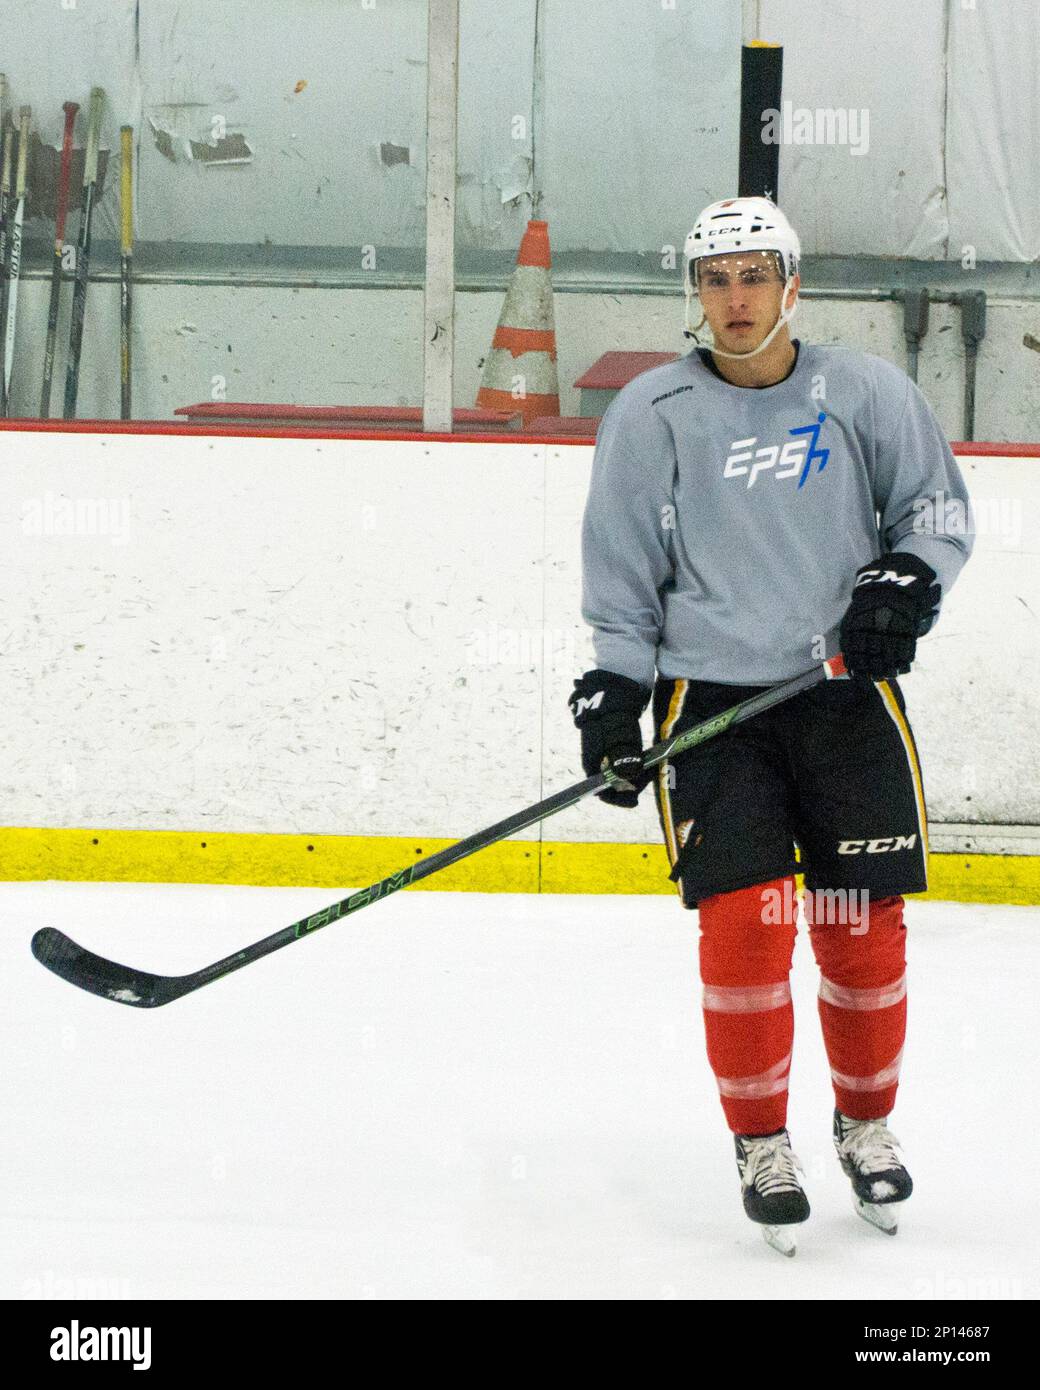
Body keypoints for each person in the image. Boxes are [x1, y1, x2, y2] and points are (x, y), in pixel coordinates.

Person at [569, 196, 974, 1256]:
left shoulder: (864, 393)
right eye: (715, 280)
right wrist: (614, 694)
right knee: (745, 930)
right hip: (713, 712)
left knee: (854, 925)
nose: (734, 298)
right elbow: (621, 575)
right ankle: (760, 1140)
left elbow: (932, 514)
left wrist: (903, 583)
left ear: (790, 286)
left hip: (840, 705)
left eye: (753, 277)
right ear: (694, 295)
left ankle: (864, 1120)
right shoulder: (651, 412)